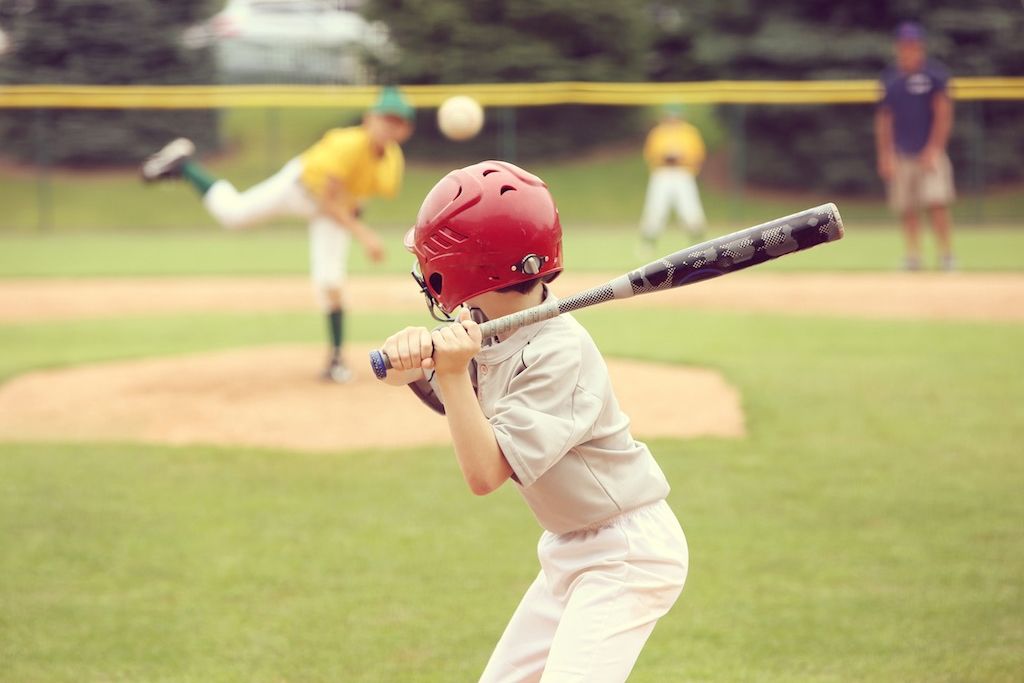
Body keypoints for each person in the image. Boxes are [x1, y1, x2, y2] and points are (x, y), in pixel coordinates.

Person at [379, 160, 688, 682]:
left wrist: (451, 374)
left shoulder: (559, 352)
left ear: (468, 268)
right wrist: (413, 373)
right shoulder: (483, 323)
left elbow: (485, 473)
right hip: (570, 547)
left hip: (625, 554)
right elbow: (462, 410)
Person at [141, 86, 415, 382]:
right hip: (299, 188)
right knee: (234, 214)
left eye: (396, 122)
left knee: (330, 280)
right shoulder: (347, 144)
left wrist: (356, 219)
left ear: (405, 130)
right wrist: (364, 234)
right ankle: (185, 166)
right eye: (384, 119)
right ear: (368, 119)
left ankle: (335, 361)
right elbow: (327, 200)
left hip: (333, 209)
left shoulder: (392, 162)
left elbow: (359, 194)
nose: (389, 127)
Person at [875, 21, 956, 271]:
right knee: (907, 207)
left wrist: (934, 148)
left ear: (920, 47)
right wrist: (885, 154)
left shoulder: (935, 76)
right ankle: (913, 257)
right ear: (897, 47)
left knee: (937, 203)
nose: (908, 50)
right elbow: (884, 120)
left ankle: (946, 256)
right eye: (904, 45)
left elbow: (943, 114)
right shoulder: (891, 79)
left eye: (913, 45)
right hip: (902, 154)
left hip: (929, 153)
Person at [638, 104, 708, 254]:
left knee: (690, 210)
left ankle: (699, 246)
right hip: (662, 173)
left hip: (683, 173)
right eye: (670, 115)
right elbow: (650, 154)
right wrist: (664, 156)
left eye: (675, 115)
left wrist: (682, 157)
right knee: (656, 209)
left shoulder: (690, 132)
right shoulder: (658, 132)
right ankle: (648, 245)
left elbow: (698, 154)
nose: (673, 118)